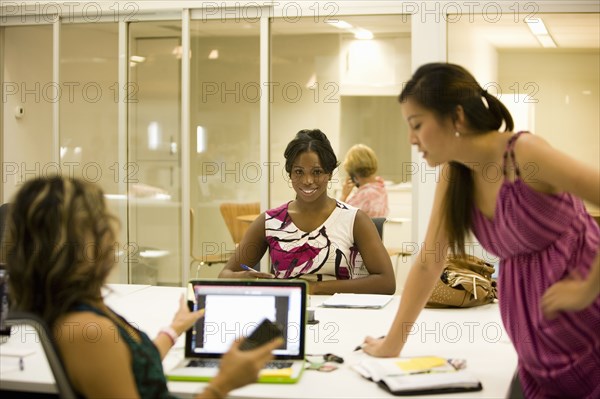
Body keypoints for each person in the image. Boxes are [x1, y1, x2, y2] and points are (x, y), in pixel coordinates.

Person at [360, 63, 600, 398]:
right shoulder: (455, 176)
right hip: (539, 354)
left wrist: (588, 289)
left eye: (417, 124)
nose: (412, 139)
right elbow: (429, 262)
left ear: (456, 117)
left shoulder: (523, 154)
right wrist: (392, 343)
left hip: (590, 333)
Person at [3, 176, 283, 399]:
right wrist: (223, 383)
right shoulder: (88, 330)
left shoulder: (87, 307)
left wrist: (174, 330)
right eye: (101, 224)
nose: (113, 233)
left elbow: (134, 367)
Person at [219, 129, 396, 295]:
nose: (308, 180)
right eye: (299, 172)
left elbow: (386, 283)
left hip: (342, 317)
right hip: (288, 317)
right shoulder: (271, 221)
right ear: (290, 174)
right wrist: (243, 278)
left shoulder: (354, 219)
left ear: (330, 174)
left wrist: (315, 288)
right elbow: (224, 275)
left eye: (317, 172)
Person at [340, 143, 389, 218]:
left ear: (352, 172)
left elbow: (339, 217)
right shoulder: (380, 188)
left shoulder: (364, 194)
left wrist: (344, 196)